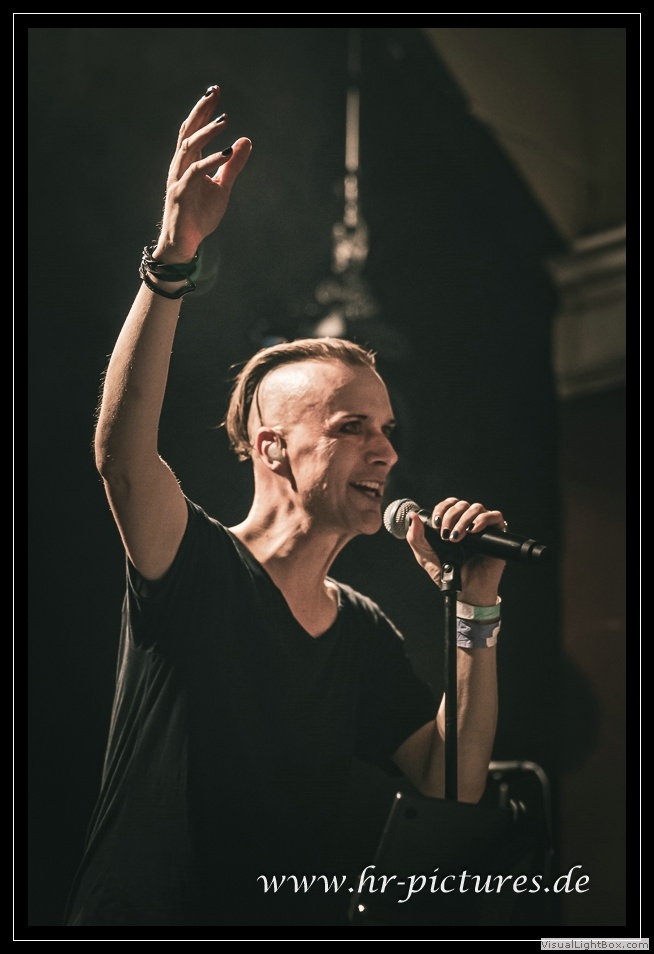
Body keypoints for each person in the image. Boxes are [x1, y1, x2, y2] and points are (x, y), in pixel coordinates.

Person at [64, 84, 507, 928]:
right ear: (272, 449)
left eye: (387, 429)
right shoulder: (195, 562)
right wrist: (174, 253)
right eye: (351, 427)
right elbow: (122, 456)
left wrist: (474, 610)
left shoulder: (362, 633)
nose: (387, 451)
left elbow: (455, 780)